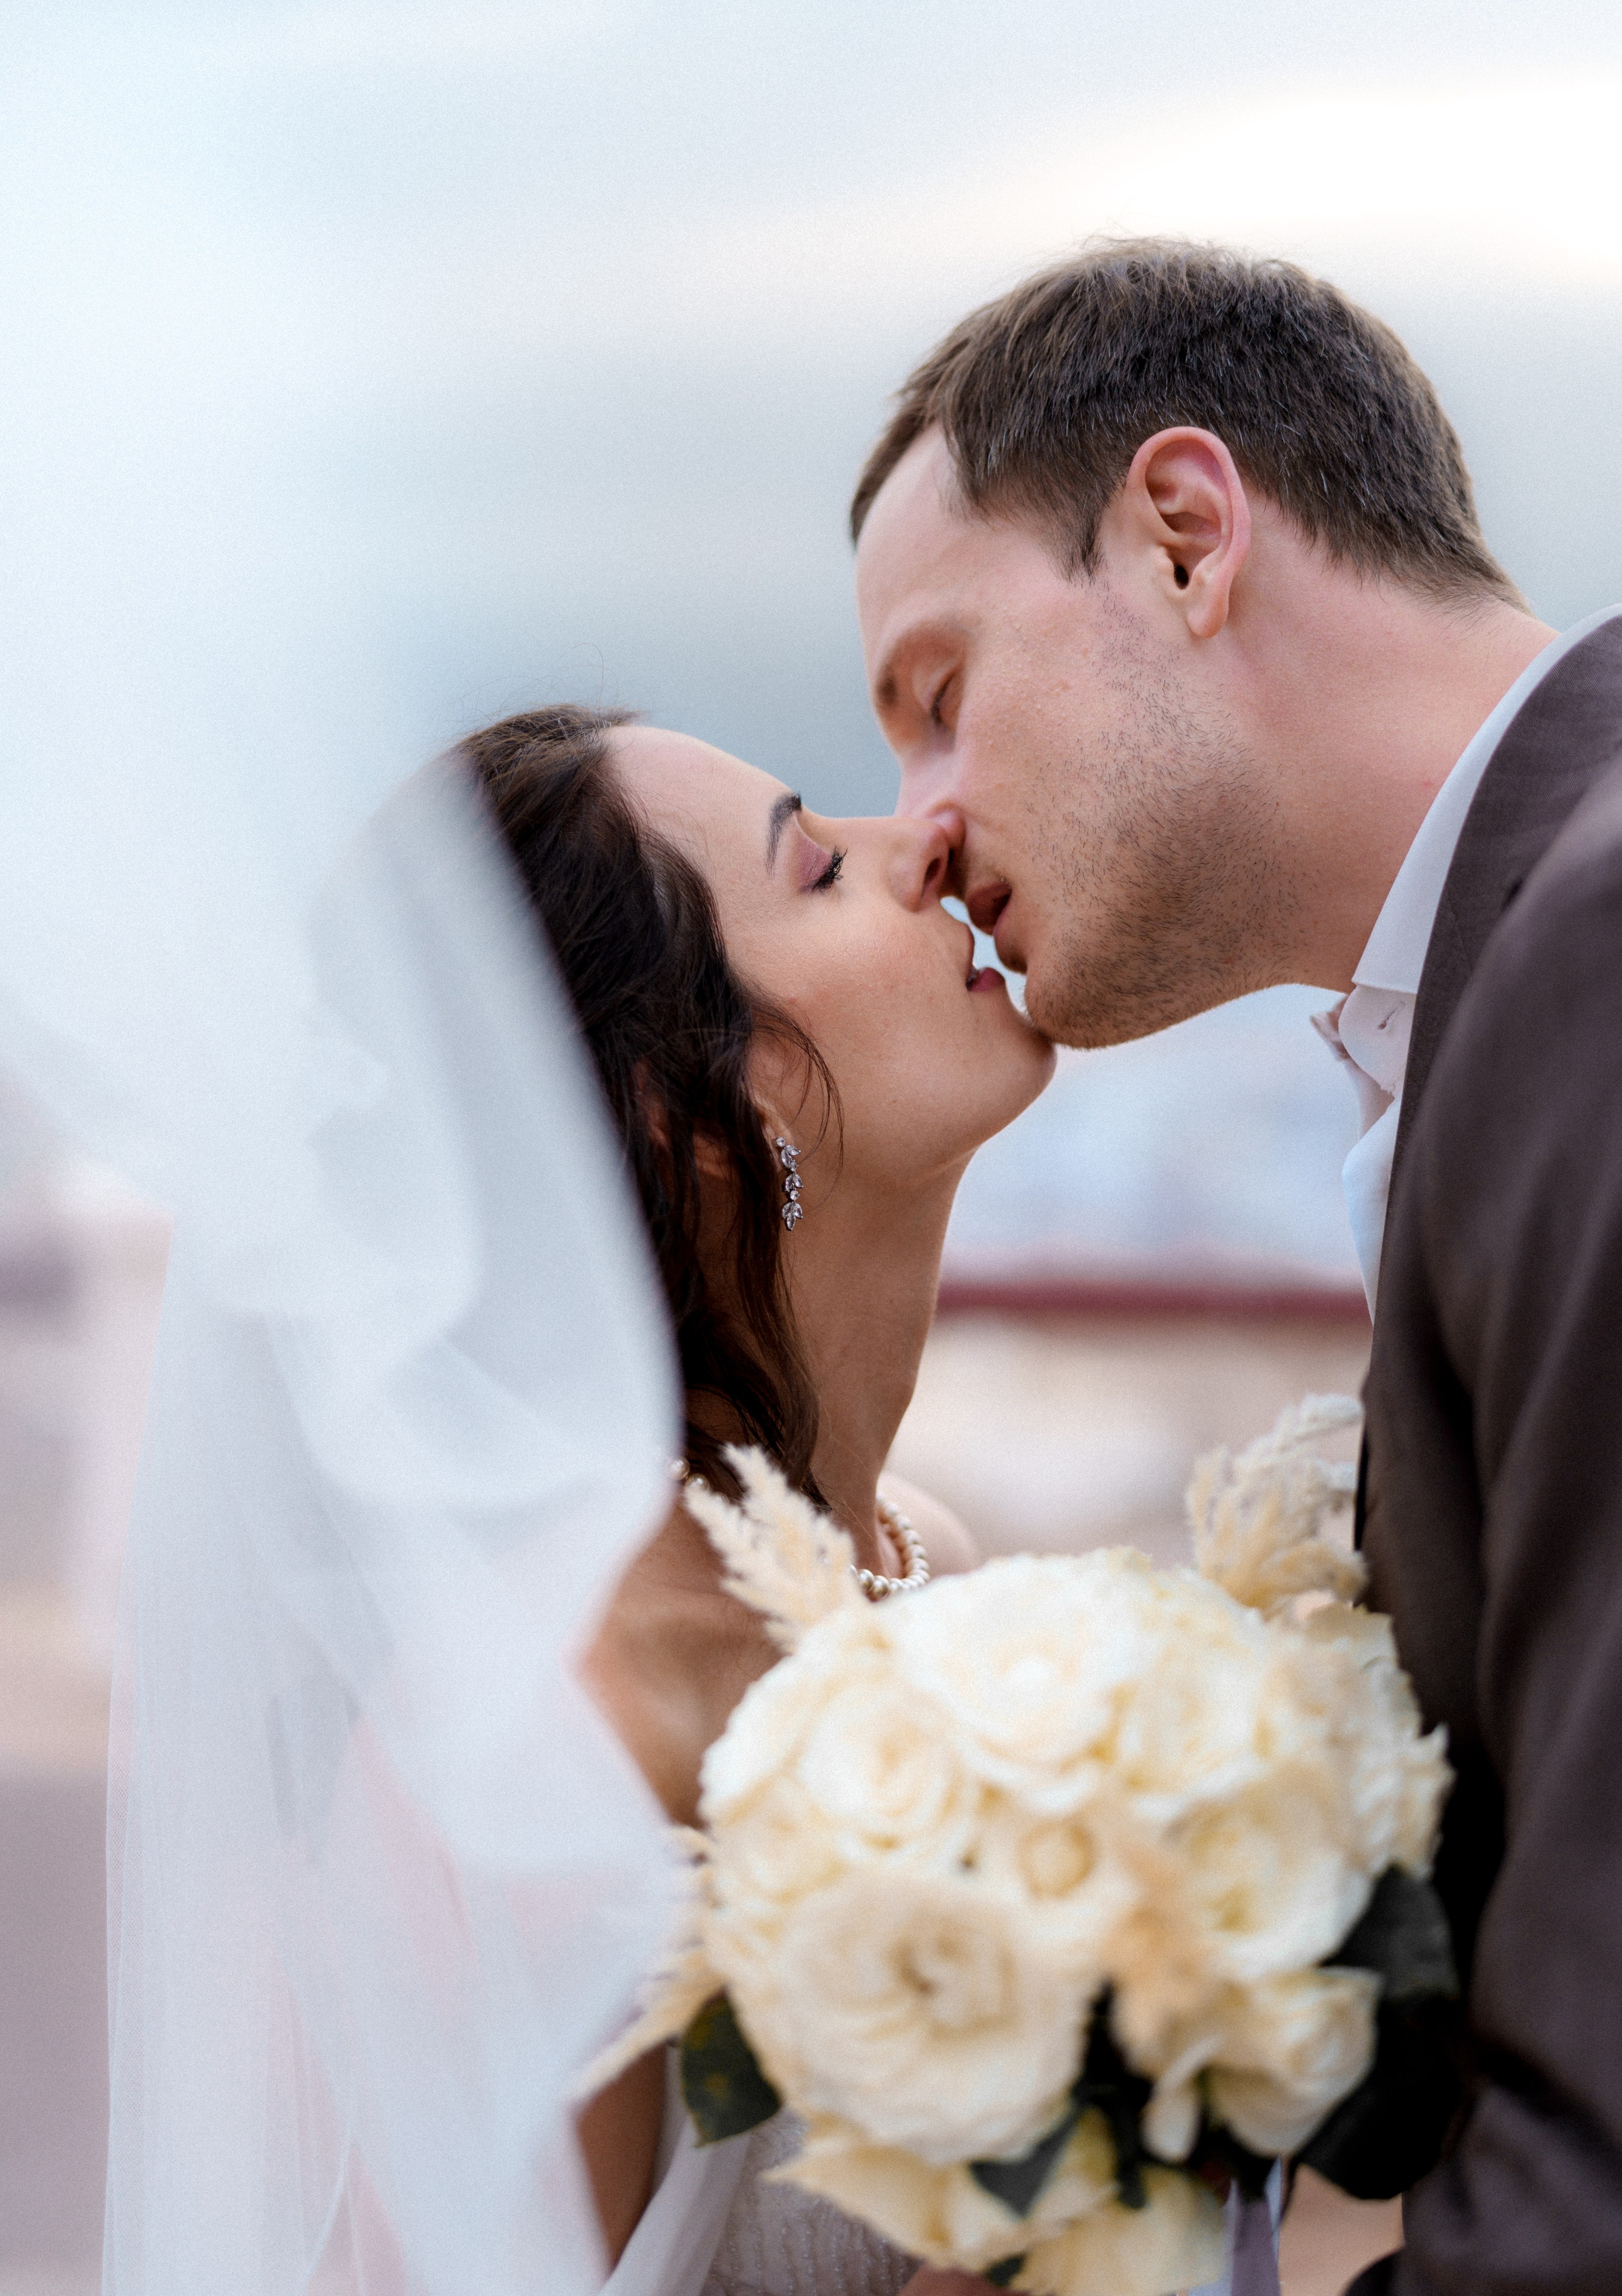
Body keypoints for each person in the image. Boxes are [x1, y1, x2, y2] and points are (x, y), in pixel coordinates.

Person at [850, 236, 1622, 2295]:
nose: (919, 829)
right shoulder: (1516, 974)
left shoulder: (1597, 961)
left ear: (1187, 538)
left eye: (941, 696)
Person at [461, 704, 1056, 2295]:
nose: (920, 838)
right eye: (818, 868)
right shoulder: (556, 1742)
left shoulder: (929, 1566)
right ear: (708, 1101)